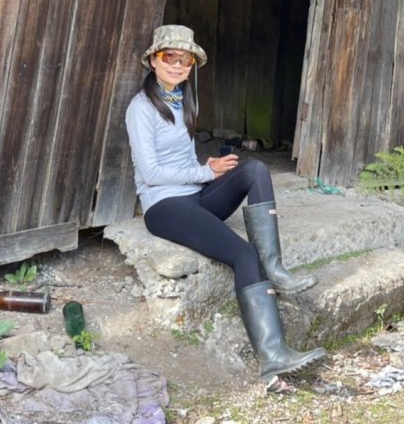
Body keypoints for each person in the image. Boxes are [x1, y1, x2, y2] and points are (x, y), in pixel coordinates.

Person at [125, 24, 325, 382]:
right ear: (153, 60)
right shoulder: (141, 108)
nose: (177, 65)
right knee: (244, 255)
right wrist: (206, 171)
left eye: (185, 60)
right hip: (164, 206)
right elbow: (151, 173)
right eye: (169, 57)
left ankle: (275, 269)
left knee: (255, 170)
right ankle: (273, 356)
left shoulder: (184, 98)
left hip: (195, 195)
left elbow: (187, 161)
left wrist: (208, 174)